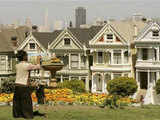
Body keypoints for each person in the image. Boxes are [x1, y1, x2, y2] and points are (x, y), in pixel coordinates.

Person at [13, 50, 41, 119]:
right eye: (26, 55)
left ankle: (17, 114)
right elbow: (38, 67)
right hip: (24, 85)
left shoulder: (17, 65)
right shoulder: (27, 65)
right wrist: (38, 60)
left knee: (17, 101)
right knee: (26, 102)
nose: (27, 57)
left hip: (17, 84)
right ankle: (28, 115)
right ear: (24, 57)